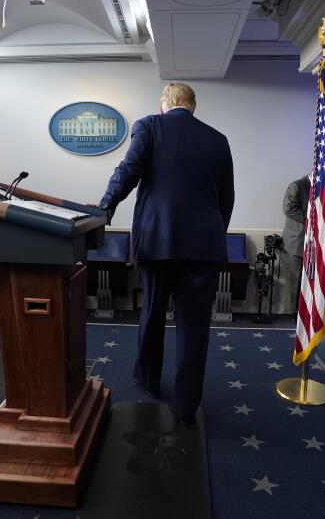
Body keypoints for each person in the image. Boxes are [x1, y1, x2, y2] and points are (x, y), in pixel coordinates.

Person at [99, 82, 234, 426]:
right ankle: (186, 404)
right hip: (203, 248)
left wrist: (105, 207)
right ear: (193, 106)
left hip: (157, 244)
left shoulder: (149, 126)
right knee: (195, 327)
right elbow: (226, 199)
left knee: (152, 313)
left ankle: (147, 379)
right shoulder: (218, 140)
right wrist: (213, 234)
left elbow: (128, 171)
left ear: (164, 105)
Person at [280, 175, 311, 314]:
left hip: (314, 244)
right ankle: (296, 315)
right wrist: (312, 219)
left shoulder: (324, 187)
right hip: (296, 244)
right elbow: (288, 208)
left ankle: (307, 315)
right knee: (297, 283)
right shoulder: (296, 186)